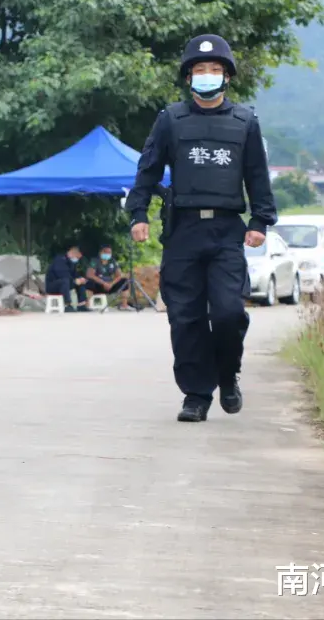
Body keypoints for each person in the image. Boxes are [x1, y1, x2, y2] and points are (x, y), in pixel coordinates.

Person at [126, 33, 277, 423]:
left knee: (228, 313)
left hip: (227, 231)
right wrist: (138, 213)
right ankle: (196, 394)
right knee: (185, 316)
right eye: (199, 69)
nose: (207, 75)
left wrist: (260, 220)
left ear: (226, 77)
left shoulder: (245, 122)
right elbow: (148, 169)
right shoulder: (170, 120)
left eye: (214, 69)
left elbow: (257, 175)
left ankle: (227, 376)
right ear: (188, 77)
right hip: (183, 232)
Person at [84, 244, 132, 310]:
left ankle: (124, 305)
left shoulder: (112, 261)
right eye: (105, 252)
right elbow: (89, 274)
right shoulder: (95, 261)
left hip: (110, 285)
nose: (107, 254)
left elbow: (119, 275)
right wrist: (104, 283)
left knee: (124, 281)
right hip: (98, 285)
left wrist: (111, 284)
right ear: (100, 252)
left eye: (109, 252)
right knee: (89, 282)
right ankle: (88, 305)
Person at [45, 243, 89, 312]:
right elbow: (62, 275)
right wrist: (74, 281)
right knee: (65, 280)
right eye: (77, 257)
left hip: (65, 284)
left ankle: (82, 305)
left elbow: (74, 274)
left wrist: (80, 279)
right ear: (73, 253)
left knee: (81, 282)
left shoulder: (71, 263)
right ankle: (67, 304)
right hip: (53, 285)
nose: (77, 260)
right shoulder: (59, 260)